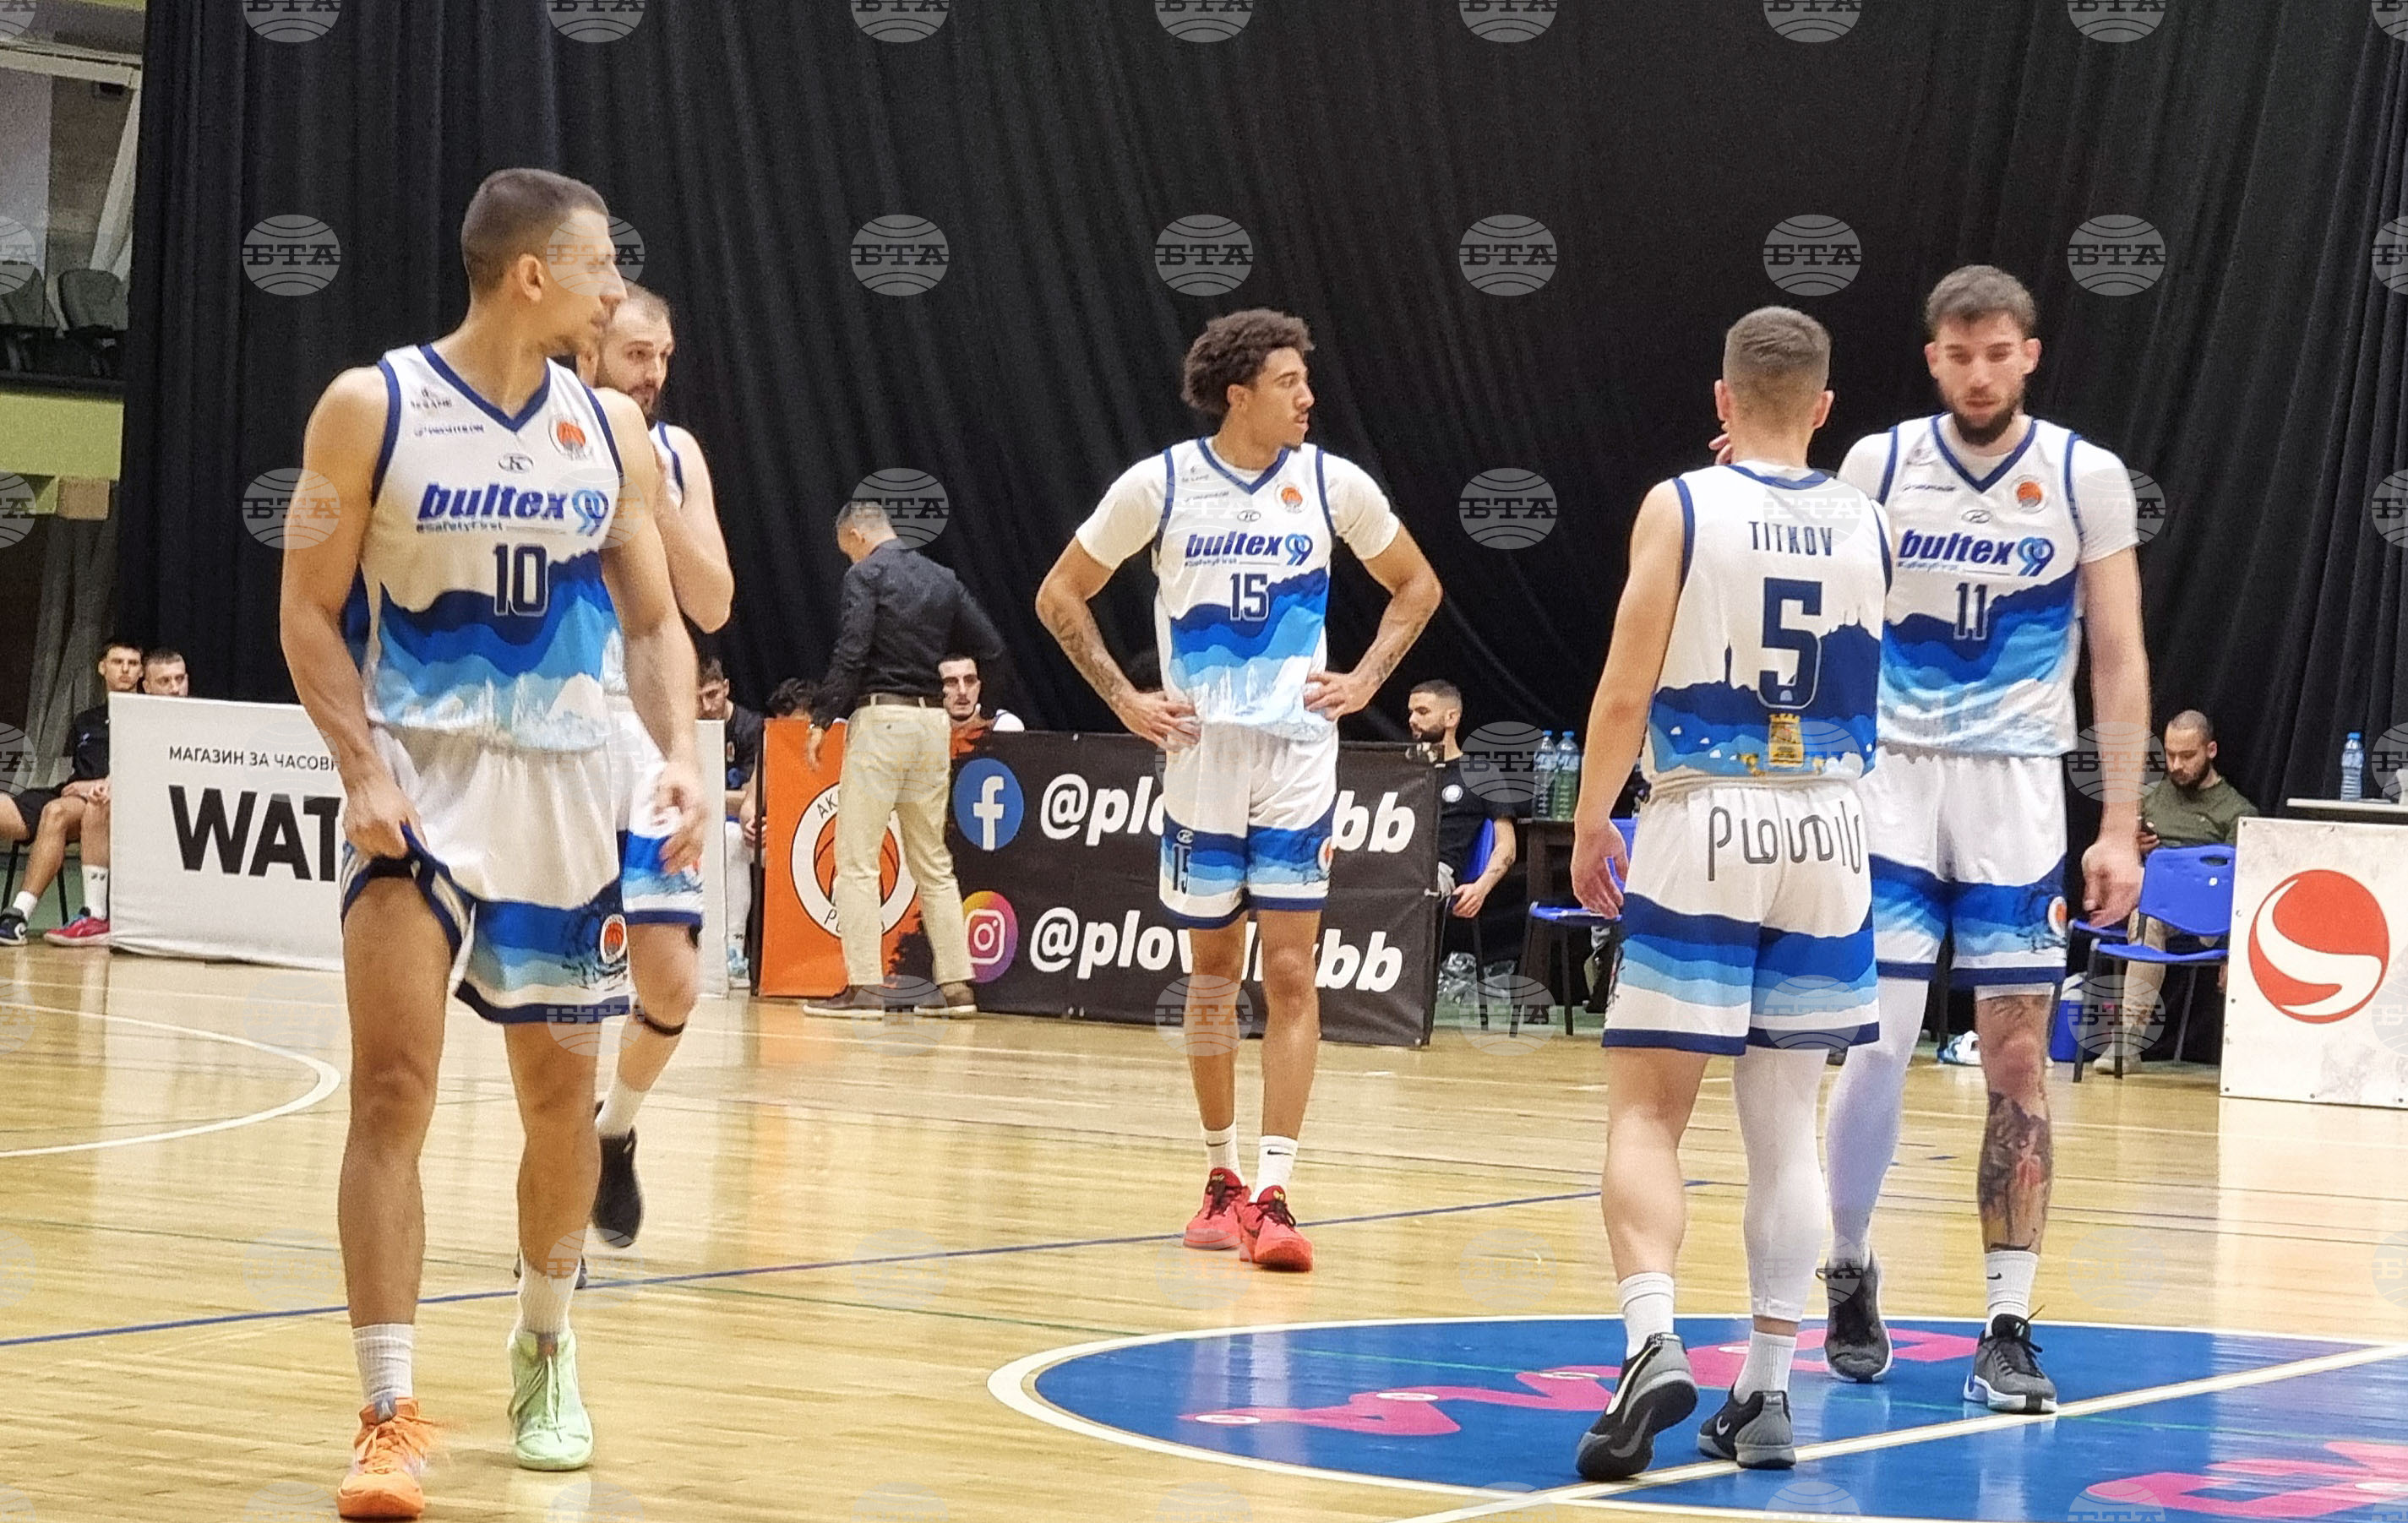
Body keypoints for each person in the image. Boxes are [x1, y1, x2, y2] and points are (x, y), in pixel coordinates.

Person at [280, 166, 706, 1517]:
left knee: (555, 1103)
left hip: (569, 794)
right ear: (532, 275)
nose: (614, 291)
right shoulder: (373, 406)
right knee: (390, 1090)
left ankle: (545, 1343)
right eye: (598, 267)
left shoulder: (612, 427)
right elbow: (306, 609)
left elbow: (654, 620)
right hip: (419, 780)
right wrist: (360, 769)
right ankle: (387, 1410)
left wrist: (677, 753)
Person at [1034, 308, 1442, 1273]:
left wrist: (1368, 680)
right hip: (1201, 756)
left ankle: (1275, 1192)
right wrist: (1124, 698)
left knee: (1293, 972)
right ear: (1239, 394)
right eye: (1290, 383)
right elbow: (1059, 594)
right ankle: (1219, 1177)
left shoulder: (1332, 483)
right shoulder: (1162, 484)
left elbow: (1416, 586)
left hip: (1297, 755)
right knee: (1214, 973)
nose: (1308, 398)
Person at [1816, 266, 2149, 1413]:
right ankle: (1847, 1263)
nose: (1978, 373)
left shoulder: (2082, 475)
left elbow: (2118, 656)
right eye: (1958, 355)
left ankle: (2006, 1322)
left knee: (2017, 1058)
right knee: (1876, 1043)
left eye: (1997, 353)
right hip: (1891, 780)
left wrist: (2117, 824)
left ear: (2029, 354)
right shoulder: (1876, 465)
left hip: (2017, 787)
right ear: (1932, 359)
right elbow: (1818, 594)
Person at [1568, 307, 1886, 1478]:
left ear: (1719, 399)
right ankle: (1766, 1388)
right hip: (1830, 824)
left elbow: (1623, 686)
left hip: (1708, 809)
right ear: (1824, 406)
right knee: (1786, 1126)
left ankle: (1651, 1336)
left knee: (1647, 1112)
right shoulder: (1867, 516)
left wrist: (1592, 816)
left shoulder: (1680, 504)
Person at [575, 286, 735, 1253]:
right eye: (638, 354)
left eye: (665, 357)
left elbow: (711, 603)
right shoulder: (538, 442)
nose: (655, 373)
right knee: (561, 996)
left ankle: (614, 1130)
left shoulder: (676, 454)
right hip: (553, 731)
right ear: (589, 350)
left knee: (671, 984)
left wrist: (652, 492)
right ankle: (550, 1221)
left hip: (647, 738)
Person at [802, 502, 1006, 1018]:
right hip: (932, 725)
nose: (849, 559)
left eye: (846, 549)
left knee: (857, 862)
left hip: (882, 720)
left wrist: (823, 716)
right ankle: (957, 987)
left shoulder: (866, 575)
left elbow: (852, 651)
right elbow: (991, 645)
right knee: (933, 862)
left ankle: (866, 988)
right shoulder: (942, 578)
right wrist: (978, 709)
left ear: (855, 533)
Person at [2111, 710, 2255, 1059]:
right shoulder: (2151, 799)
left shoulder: (2237, 812)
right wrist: (2130, 847)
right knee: (2144, 918)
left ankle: (2244, 1060)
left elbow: (2245, 888)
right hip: (2160, 908)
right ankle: (2127, 1045)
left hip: (2212, 916)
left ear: (2211, 750)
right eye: (2170, 755)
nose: (2176, 765)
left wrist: (2235, 948)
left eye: (2187, 756)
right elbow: (2120, 858)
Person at [41, 647, 198, 949]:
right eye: (165, 681)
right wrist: (103, 787)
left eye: (180, 679)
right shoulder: (132, 722)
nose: (175, 688)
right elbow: (125, 771)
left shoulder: (203, 720)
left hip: (191, 810)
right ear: (146, 686)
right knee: (98, 805)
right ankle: (96, 915)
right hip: (142, 807)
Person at [1, 640, 143, 947]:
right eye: (117, 662)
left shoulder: (147, 717)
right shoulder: (85, 720)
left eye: (133, 664)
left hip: (109, 800)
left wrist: (93, 786)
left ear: (142, 672)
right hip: (72, 791)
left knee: (56, 812)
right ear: (102, 667)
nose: (125, 670)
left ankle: (17, 915)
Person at [1406, 679, 1522, 966]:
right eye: (1411, 712)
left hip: (1434, 871)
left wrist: (1481, 887)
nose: (1412, 720)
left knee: (1404, 889)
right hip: (1387, 863)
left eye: (1423, 712)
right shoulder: (1402, 768)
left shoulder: (1481, 773)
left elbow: (1507, 845)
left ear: (1451, 718)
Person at [940, 652, 1023, 738]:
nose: (963, 691)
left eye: (970, 681)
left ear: (979, 686)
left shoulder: (1004, 724)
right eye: (951, 682)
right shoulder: (931, 726)